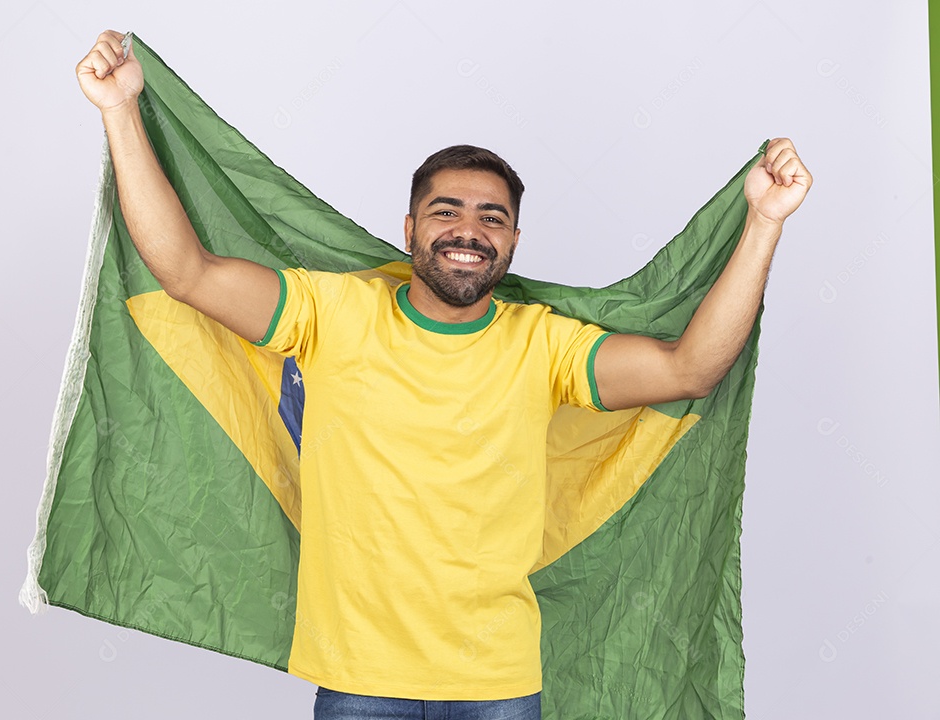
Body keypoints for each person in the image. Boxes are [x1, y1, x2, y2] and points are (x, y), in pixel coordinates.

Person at [76, 30, 812, 720]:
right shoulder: (330, 312)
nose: (469, 229)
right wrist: (121, 111)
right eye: (446, 210)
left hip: (498, 685)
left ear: (514, 240)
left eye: (493, 218)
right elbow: (185, 271)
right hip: (359, 681)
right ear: (409, 229)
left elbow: (690, 368)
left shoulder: (544, 345)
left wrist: (764, 223)